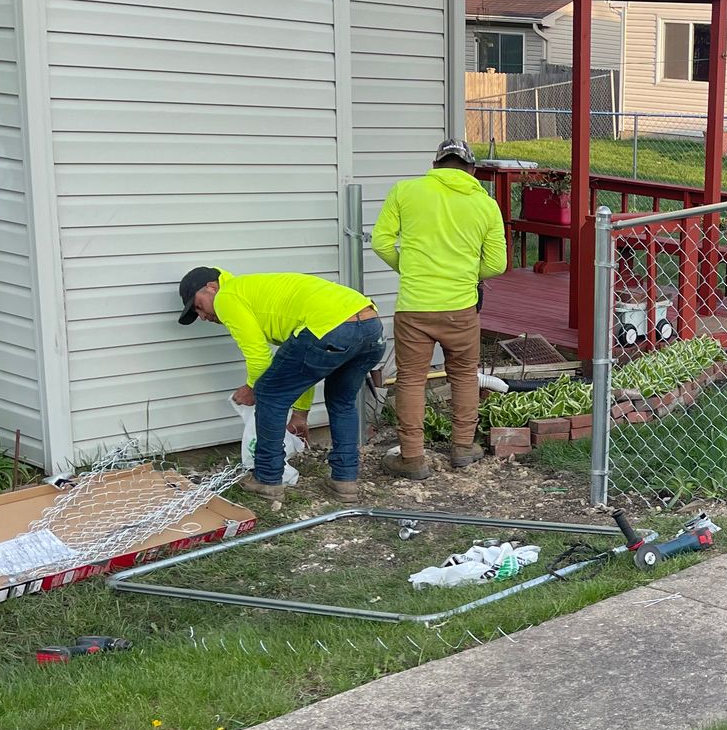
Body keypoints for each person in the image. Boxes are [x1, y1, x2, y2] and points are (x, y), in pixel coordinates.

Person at [176, 267, 384, 500]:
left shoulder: (227, 296)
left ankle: (267, 478)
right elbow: (305, 367)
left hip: (330, 327)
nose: (203, 316)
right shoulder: (255, 291)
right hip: (370, 325)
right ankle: (345, 481)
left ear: (212, 287)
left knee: (269, 393)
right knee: (342, 401)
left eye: (198, 306)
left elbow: (258, 356)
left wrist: (252, 388)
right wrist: (300, 415)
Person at [371, 136, 507, 478]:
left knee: (412, 380)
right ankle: (462, 447)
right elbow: (497, 264)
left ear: (434, 167)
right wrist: (464, 275)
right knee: (463, 375)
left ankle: (412, 458)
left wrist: (409, 269)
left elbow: (380, 242)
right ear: (472, 170)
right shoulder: (485, 204)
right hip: (460, 307)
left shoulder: (405, 191)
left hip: (414, 306)